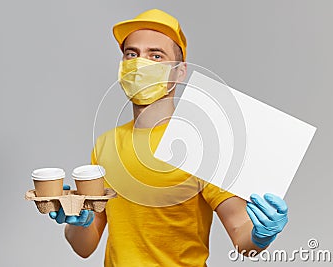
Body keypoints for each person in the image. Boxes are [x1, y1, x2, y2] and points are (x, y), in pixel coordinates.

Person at [49, 9, 289, 266]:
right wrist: (79, 219)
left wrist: (261, 234)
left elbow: (242, 237)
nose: (140, 63)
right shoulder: (106, 145)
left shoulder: (202, 144)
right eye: (132, 54)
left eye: (156, 55)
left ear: (180, 72)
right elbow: (85, 247)